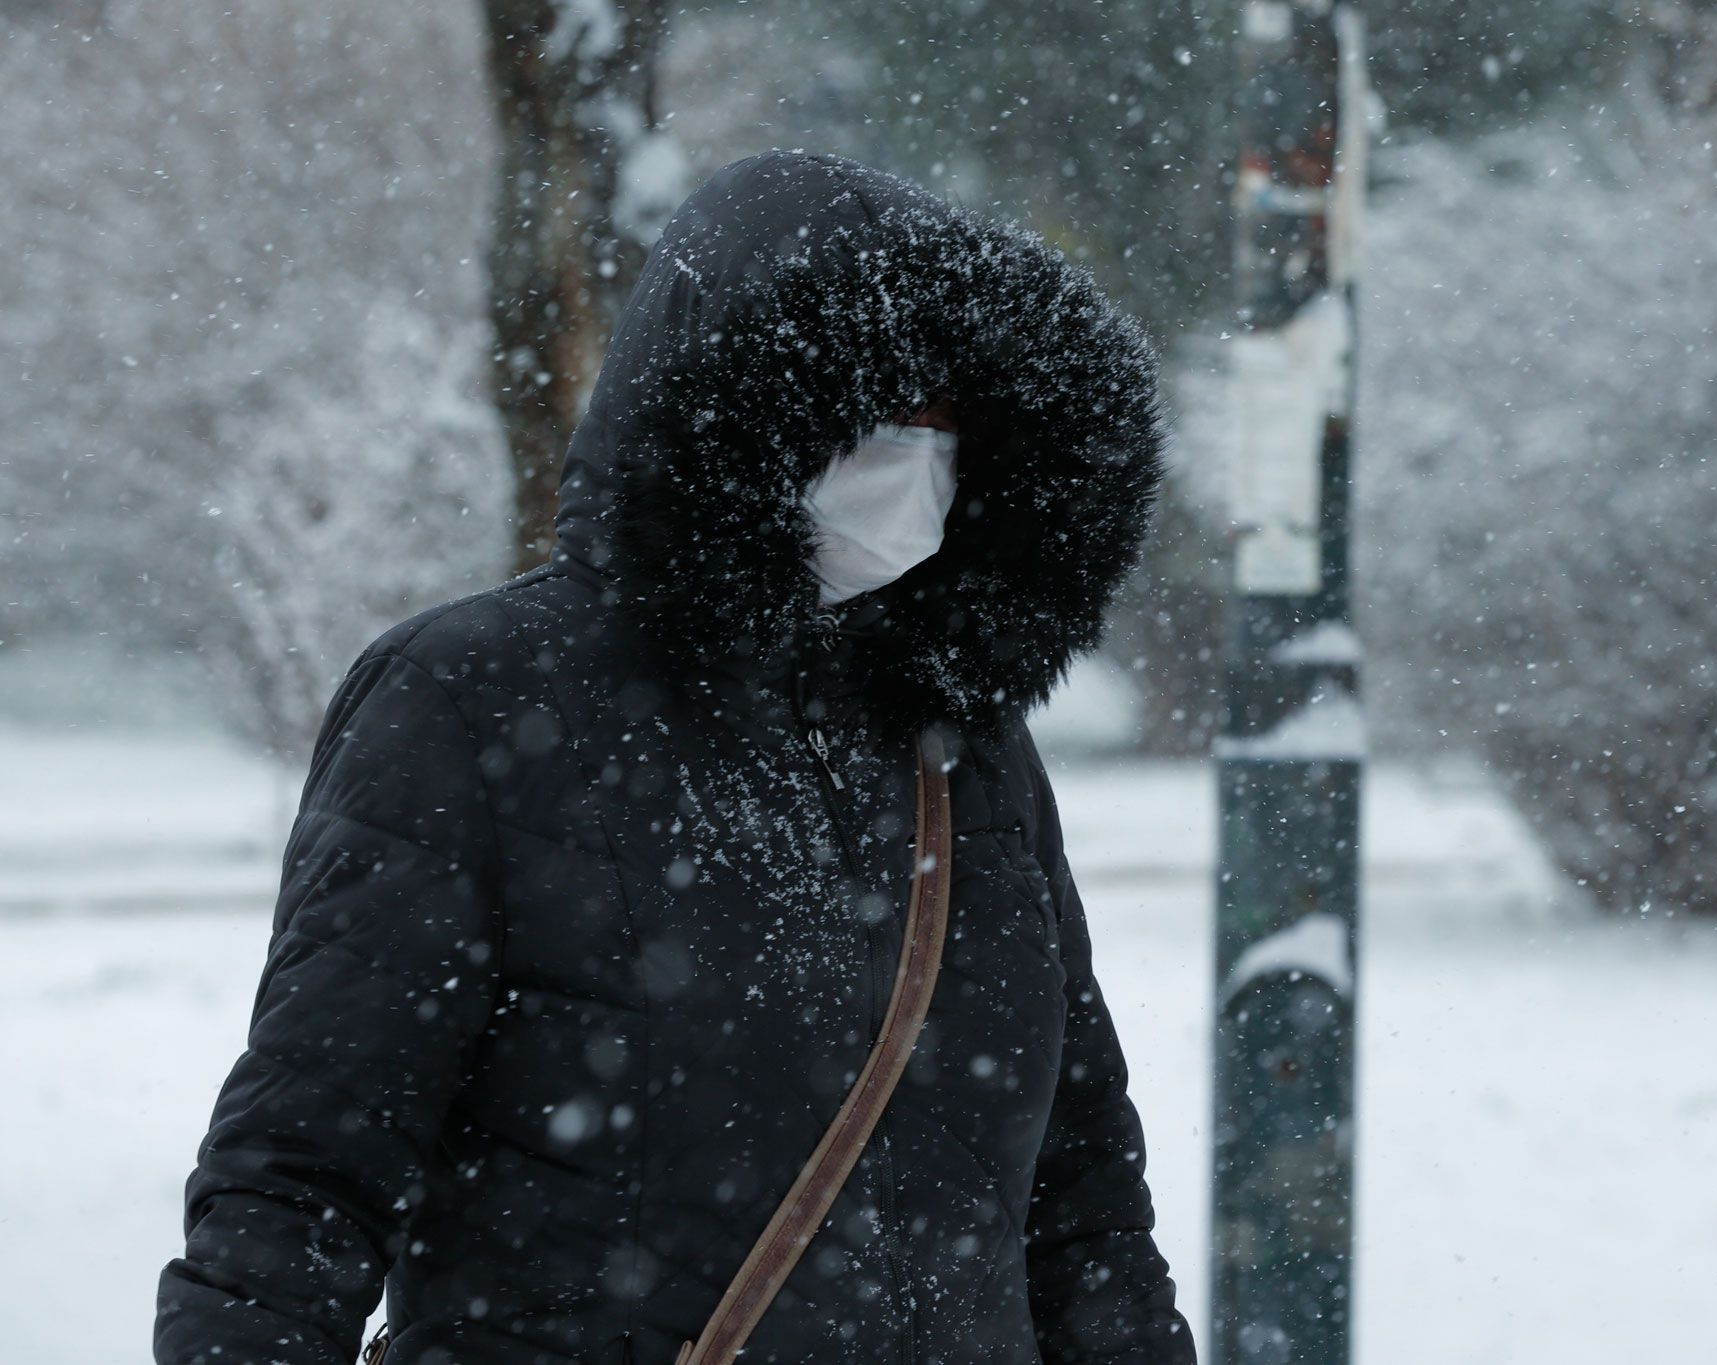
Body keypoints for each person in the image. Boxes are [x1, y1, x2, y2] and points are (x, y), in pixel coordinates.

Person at [155, 150, 1194, 1365]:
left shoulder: (960, 748)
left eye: (948, 430)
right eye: (873, 417)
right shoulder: (473, 699)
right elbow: (300, 1173)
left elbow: (1078, 1207)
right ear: (746, 415)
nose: (915, 469)